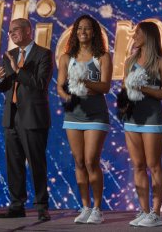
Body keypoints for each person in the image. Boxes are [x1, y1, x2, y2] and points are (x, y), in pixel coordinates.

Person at [0, 18, 52, 221]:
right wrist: (0, 77)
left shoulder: (43, 54)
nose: (11, 34)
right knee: (14, 163)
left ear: (29, 31)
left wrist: (18, 70)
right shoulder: (9, 55)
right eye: (10, 31)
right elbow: (3, 87)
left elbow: (39, 83)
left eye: (16, 30)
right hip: (11, 116)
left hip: (33, 116)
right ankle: (16, 205)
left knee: (36, 162)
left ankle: (41, 206)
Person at [57, 15, 112, 224]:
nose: (83, 32)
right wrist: (68, 96)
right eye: (80, 28)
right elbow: (61, 86)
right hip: (73, 115)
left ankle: (98, 209)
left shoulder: (103, 57)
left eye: (87, 29)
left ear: (94, 32)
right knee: (79, 162)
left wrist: (85, 82)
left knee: (91, 161)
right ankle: (85, 206)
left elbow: (105, 87)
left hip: (96, 114)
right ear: (75, 32)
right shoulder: (66, 58)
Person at [120, 22, 162, 227]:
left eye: (138, 33)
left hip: (151, 121)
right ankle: (144, 210)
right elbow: (125, 89)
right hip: (132, 120)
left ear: (148, 36)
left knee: (153, 165)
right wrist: (123, 104)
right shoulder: (130, 60)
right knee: (138, 165)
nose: (134, 36)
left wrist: (143, 87)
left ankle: (156, 213)